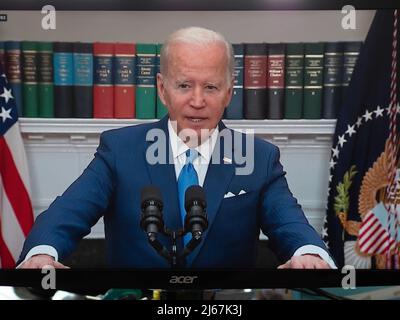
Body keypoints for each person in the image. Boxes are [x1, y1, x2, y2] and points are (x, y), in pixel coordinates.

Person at [18, 27, 335, 269]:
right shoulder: (120, 149)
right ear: (162, 89)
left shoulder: (258, 157)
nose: (197, 101)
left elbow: (289, 222)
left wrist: (309, 254)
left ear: (228, 93)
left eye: (210, 87)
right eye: (184, 85)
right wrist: (42, 254)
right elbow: (67, 211)